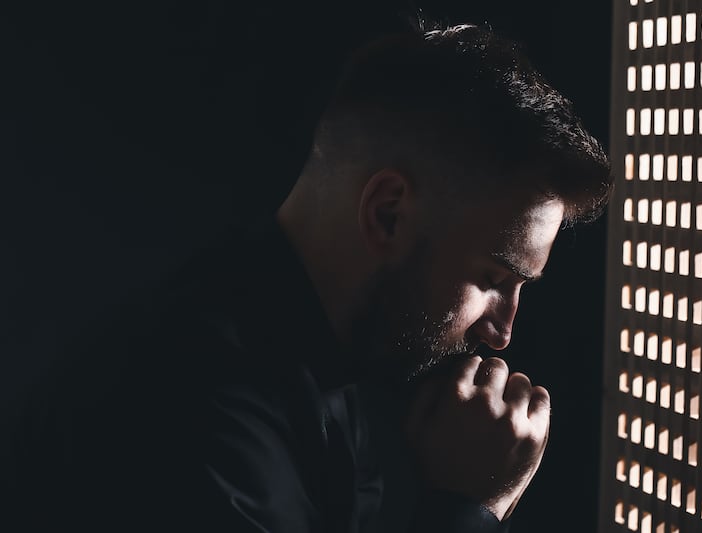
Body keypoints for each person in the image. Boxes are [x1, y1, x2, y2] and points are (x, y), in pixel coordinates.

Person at [1, 22, 612, 533]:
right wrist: (469, 510)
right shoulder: (201, 417)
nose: (503, 332)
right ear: (387, 214)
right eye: (493, 275)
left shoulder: (330, 357)